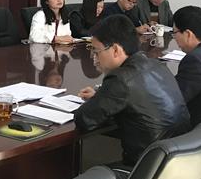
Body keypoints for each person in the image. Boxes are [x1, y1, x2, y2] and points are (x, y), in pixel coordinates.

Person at [75, 15, 190, 166]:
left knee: (90, 172)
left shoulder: (120, 78)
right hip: (177, 159)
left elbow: (84, 119)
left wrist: (101, 99)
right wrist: (102, 96)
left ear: (115, 50)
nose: (94, 58)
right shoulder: (155, 64)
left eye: (96, 52)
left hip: (145, 168)